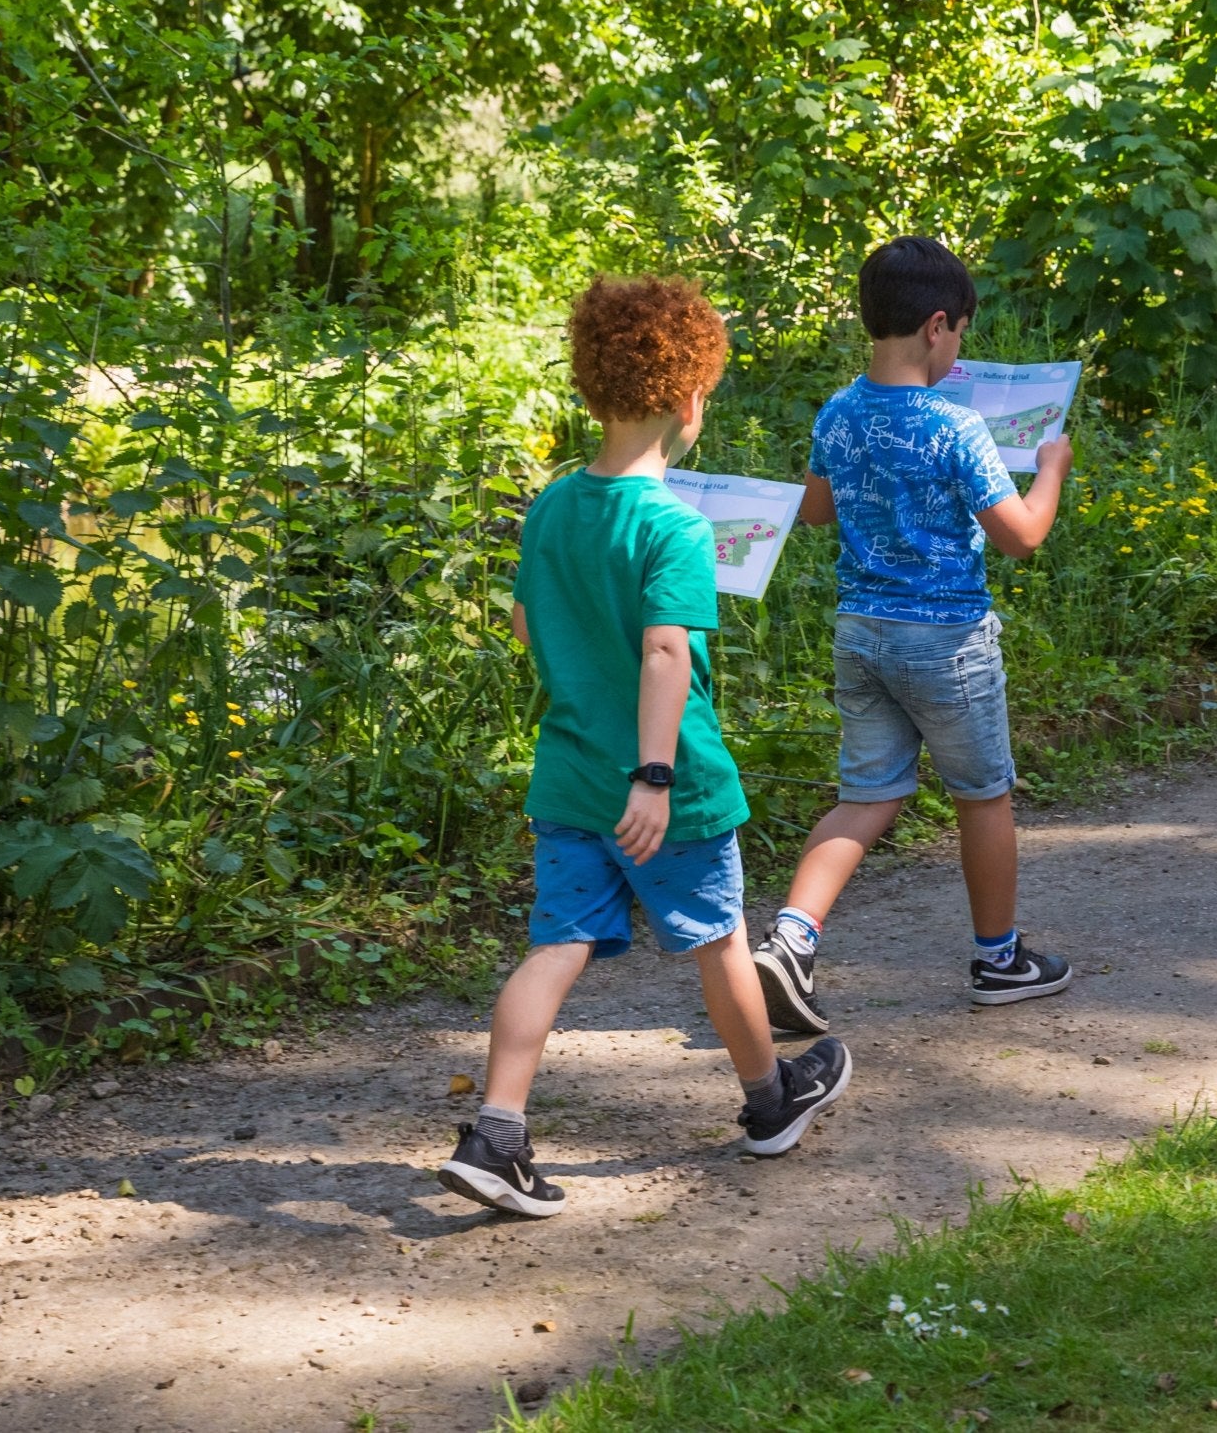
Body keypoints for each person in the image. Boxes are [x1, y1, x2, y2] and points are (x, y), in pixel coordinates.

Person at [439, 276, 851, 1219]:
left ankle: (497, 1134)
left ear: (591, 391)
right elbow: (668, 649)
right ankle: (769, 1102)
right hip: (672, 790)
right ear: (690, 397)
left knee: (556, 946)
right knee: (718, 944)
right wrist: (655, 775)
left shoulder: (549, 508)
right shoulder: (675, 525)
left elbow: (524, 624)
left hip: (570, 774)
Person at [749, 236, 1077, 1034]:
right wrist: (1052, 467)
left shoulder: (838, 410)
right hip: (948, 643)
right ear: (938, 326)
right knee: (982, 793)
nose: (958, 346)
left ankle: (791, 940)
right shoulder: (955, 427)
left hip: (860, 633)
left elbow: (818, 510)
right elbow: (1022, 536)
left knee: (868, 795)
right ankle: (999, 960)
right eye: (960, 332)